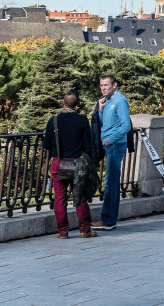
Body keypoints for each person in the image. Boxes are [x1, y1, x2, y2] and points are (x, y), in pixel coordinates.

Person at [43, 90, 95, 239]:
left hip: (59, 163)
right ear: (78, 104)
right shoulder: (82, 120)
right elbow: (87, 145)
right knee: (80, 196)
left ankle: (63, 232)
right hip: (78, 163)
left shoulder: (53, 121)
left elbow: (46, 144)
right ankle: (85, 230)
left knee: (60, 198)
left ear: (62, 103)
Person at [92, 73, 130, 231]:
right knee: (111, 183)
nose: (103, 88)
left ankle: (107, 220)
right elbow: (104, 123)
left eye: (106, 85)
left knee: (110, 184)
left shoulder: (120, 101)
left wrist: (110, 140)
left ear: (114, 85)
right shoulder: (106, 101)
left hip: (114, 145)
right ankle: (109, 219)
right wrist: (100, 110)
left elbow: (126, 125)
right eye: (101, 85)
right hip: (108, 145)